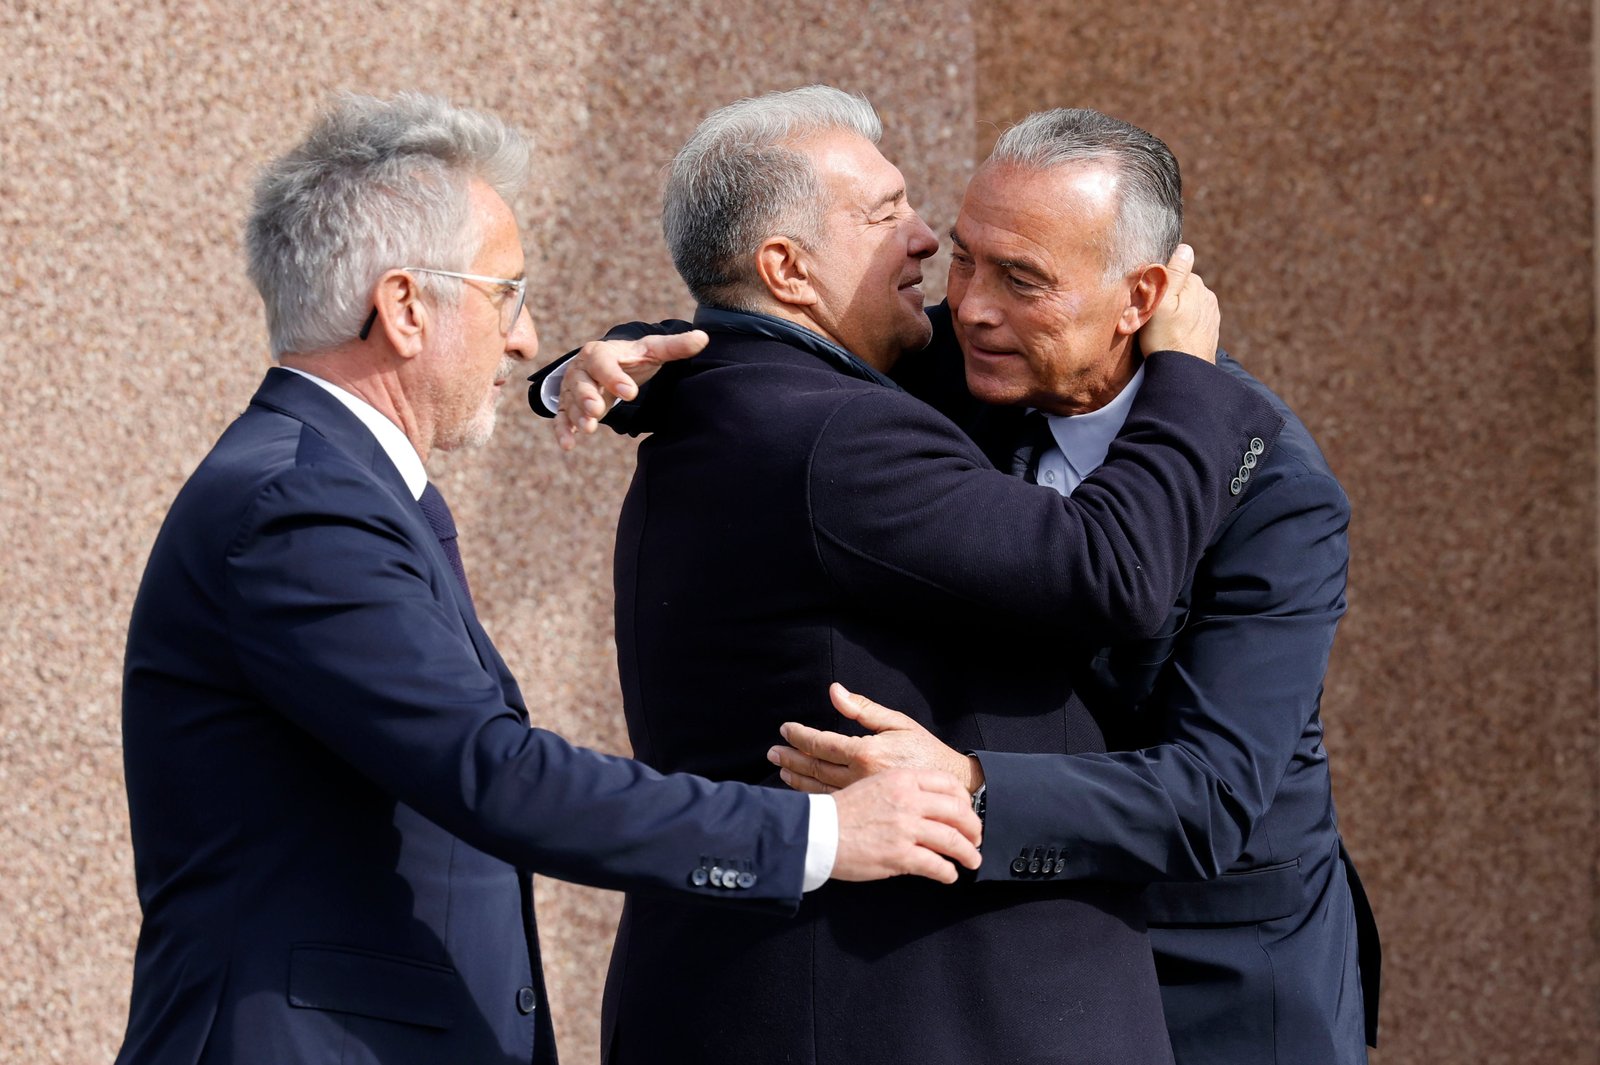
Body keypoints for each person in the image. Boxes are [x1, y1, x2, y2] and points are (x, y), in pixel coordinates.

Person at [115, 91, 988, 1065]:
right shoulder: (298, 505)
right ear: (404, 307)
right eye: (505, 294)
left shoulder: (325, 483)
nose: (526, 337)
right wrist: (820, 834)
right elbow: (496, 774)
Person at [552, 105, 1379, 1065]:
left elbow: (1210, 795)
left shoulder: (1273, 488)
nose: (974, 305)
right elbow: (771, 347)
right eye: (965, 259)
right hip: (1046, 980)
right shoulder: (964, 362)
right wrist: (606, 366)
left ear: (1141, 298)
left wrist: (972, 785)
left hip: (1229, 971)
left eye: (1022, 279)